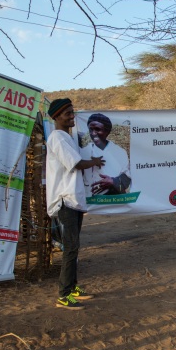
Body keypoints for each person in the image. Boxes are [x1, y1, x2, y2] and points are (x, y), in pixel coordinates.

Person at [46, 98, 104, 310]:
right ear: (57, 117)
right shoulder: (58, 138)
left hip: (73, 199)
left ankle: (72, 288)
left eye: (72, 113)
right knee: (71, 248)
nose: (71, 117)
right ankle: (63, 295)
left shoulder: (67, 138)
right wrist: (95, 162)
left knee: (74, 247)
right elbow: (76, 163)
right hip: (64, 200)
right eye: (67, 114)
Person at [81, 113, 131, 195]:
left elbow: (127, 177)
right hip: (92, 201)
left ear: (107, 131)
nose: (93, 133)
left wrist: (113, 181)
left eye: (97, 129)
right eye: (91, 129)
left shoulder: (120, 152)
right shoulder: (84, 152)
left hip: (114, 199)